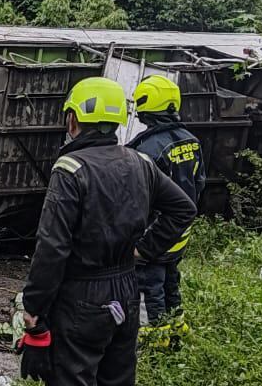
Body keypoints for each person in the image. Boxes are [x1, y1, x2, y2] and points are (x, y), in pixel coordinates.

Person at [17, 77, 196, 386]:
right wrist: (144, 250)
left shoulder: (70, 168)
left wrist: (34, 311)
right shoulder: (140, 161)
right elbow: (183, 208)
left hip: (81, 297)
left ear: (73, 119)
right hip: (126, 292)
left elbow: (52, 249)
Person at [128, 75, 204, 327]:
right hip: (178, 235)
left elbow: (139, 199)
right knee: (171, 284)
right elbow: (199, 183)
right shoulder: (191, 140)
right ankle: (175, 335)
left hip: (153, 238)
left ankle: (154, 342)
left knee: (149, 290)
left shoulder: (146, 150)